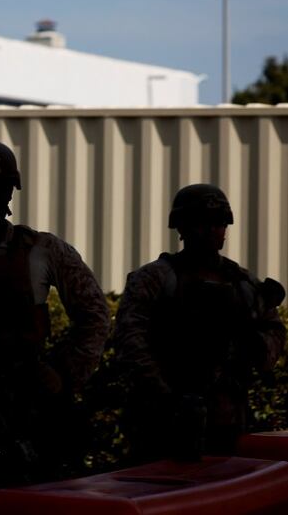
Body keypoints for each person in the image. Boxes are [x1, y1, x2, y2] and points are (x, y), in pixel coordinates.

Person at [0, 139, 109, 514]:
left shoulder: (43, 250)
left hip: (32, 405)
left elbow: (94, 315)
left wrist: (61, 373)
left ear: (10, 192)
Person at [113, 183, 286, 462]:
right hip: (162, 418)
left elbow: (274, 332)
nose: (210, 231)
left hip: (226, 416)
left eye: (218, 224)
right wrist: (166, 395)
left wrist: (254, 346)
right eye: (200, 224)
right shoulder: (154, 279)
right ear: (181, 228)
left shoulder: (243, 283)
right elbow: (129, 341)